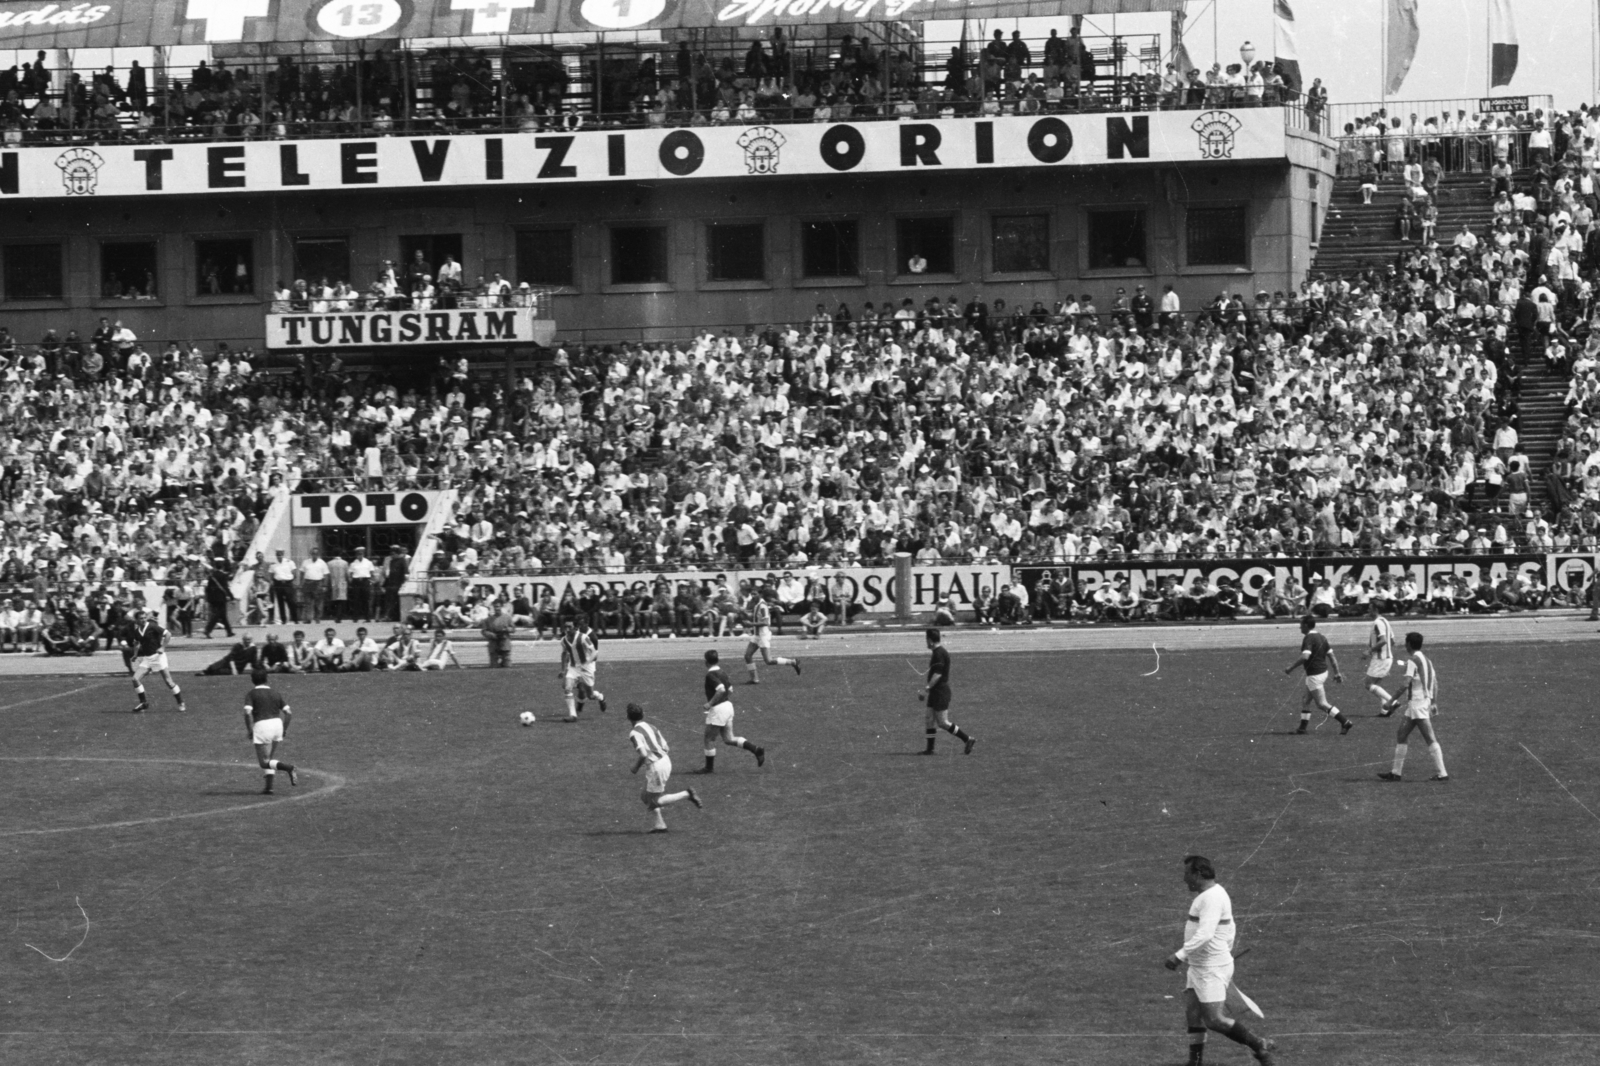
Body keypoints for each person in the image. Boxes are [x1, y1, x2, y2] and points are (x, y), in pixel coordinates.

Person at [1163, 855, 1277, 1066]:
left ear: (1198, 874)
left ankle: (1259, 1043)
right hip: (1200, 967)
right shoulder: (1209, 895)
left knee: (1215, 1020)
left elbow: (1205, 934)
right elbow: (1229, 930)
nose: (1184, 879)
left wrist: (1179, 956)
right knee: (1193, 1016)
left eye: (1186, 874)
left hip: (1210, 969)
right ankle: (1195, 1062)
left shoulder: (1212, 898)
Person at [1378, 632, 1449, 782]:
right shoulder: (1427, 661)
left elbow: (1405, 684)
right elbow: (1435, 683)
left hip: (1418, 704)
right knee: (1401, 734)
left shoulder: (1412, 661)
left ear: (1409, 644)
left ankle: (1442, 773)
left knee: (1430, 738)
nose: (1405, 644)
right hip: (1419, 703)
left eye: (1406, 642)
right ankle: (1396, 773)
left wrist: (1390, 702)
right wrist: (1434, 702)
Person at [627, 702, 702, 833]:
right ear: (643, 714)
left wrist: (635, 767)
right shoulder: (651, 726)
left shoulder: (634, 733)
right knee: (645, 796)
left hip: (657, 767)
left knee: (653, 801)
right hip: (665, 760)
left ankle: (687, 794)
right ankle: (660, 824)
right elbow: (666, 747)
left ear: (629, 718)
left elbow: (643, 754)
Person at [695, 649, 765, 774]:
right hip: (728, 706)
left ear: (706, 662)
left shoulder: (710, 675)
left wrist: (710, 703)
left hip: (719, 709)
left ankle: (708, 768)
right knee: (728, 738)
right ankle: (756, 749)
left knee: (709, 739)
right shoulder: (722, 672)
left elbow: (721, 689)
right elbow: (730, 690)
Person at [1285, 615, 1352, 735]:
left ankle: (1345, 722)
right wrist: (1336, 672)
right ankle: (1302, 728)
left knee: (1321, 703)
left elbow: (1305, 656)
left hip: (1314, 675)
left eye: (1301, 624)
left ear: (1306, 625)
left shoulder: (1309, 638)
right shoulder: (1321, 637)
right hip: (1322, 672)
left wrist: (1291, 668)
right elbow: (1332, 656)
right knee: (1306, 699)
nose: (1299, 626)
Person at [919, 627, 975, 754]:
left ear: (930, 640)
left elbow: (938, 674)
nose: (926, 642)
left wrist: (926, 689)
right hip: (935, 692)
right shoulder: (937, 652)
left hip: (940, 692)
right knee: (929, 719)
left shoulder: (939, 654)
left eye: (926, 640)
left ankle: (968, 739)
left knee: (943, 722)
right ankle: (929, 749)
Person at [243, 669, 298, 796]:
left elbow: (247, 713)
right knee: (270, 758)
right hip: (277, 724)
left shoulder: (251, 694)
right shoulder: (275, 693)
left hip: (262, 726)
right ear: (267, 678)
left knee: (264, 762)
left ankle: (289, 768)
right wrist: (284, 729)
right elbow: (288, 713)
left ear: (252, 680)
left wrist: (250, 730)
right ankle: (269, 788)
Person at [121, 607, 186, 713]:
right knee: (135, 679)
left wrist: (163, 647)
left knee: (169, 682)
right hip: (147, 658)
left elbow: (168, 634)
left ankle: (180, 702)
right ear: (136, 620)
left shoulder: (152, 626)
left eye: (144, 618)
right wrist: (135, 655)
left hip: (158, 657)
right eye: (141, 618)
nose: (143, 620)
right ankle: (144, 703)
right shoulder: (137, 631)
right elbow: (137, 643)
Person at [743, 594, 800, 683]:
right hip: (757, 635)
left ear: (759, 594)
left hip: (763, 636)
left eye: (755, 594)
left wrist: (751, 624)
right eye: (752, 594)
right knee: (747, 656)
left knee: (769, 661)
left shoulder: (762, 606)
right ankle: (754, 679)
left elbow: (766, 622)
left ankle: (792, 662)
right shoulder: (757, 604)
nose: (753, 596)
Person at [558, 618, 608, 720]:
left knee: (590, 695)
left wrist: (587, 662)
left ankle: (600, 697)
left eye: (570, 627)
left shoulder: (583, 637)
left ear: (575, 628)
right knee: (567, 688)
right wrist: (563, 670)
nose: (567, 629)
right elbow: (564, 653)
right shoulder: (563, 640)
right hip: (573, 667)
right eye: (565, 627)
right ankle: (573, 715)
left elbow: (594, 652)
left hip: (586, 668)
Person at [1364, 599, 1396, 713]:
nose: (1368, 610)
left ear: (1376, 609)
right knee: (1376, 686)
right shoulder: (1386, 621)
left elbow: (1383, 641)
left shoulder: (1377, 622)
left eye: (1370, 608)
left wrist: (1370, 651)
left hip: (1380, 659)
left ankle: (1393, 702)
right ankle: (1385, 711)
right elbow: (1392, 641)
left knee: (1368, 684)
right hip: (1387, 658)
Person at [482, 602, 514, 667]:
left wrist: (507, 629)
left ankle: (504, 662)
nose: (497, 608)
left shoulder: (507, 617)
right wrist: (491, 634)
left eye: (498, 606)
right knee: (493, 665)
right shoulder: (488, 620)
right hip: (494, 642)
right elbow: (484, 631)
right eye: (495, 607)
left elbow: (513, 628)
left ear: (501, 607)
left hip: (504, 642)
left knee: (507, 665)